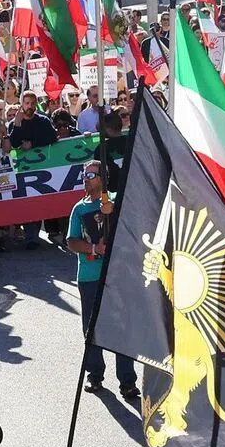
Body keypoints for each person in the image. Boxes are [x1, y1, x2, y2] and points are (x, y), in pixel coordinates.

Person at [65, 161, 139, 401]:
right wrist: (94, 248)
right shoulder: (79, 208)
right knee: (92, 327)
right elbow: (71, 241)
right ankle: (94, 375)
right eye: (84, 175)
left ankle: (127, 381)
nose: (86, 178)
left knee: (122, 327)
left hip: (119, 274)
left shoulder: (117, 200)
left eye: (91, 175)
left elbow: (134, 218)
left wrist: (112, 208)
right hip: (89, 276)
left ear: (103, 178)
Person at [7, 92, 58, 248]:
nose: (29, 106)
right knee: (26, 201)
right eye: (26, 103)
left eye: (32, 103)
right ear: (22, 104)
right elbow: (13, 143)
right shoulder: (15, 122)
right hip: (22, 169)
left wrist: (33, 143)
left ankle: (34, 236)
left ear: (36, 104)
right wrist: (16, 124)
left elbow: (52, 137)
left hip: (41, 167)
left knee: (39, 200)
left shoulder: (43, 121)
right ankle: (29, 235)